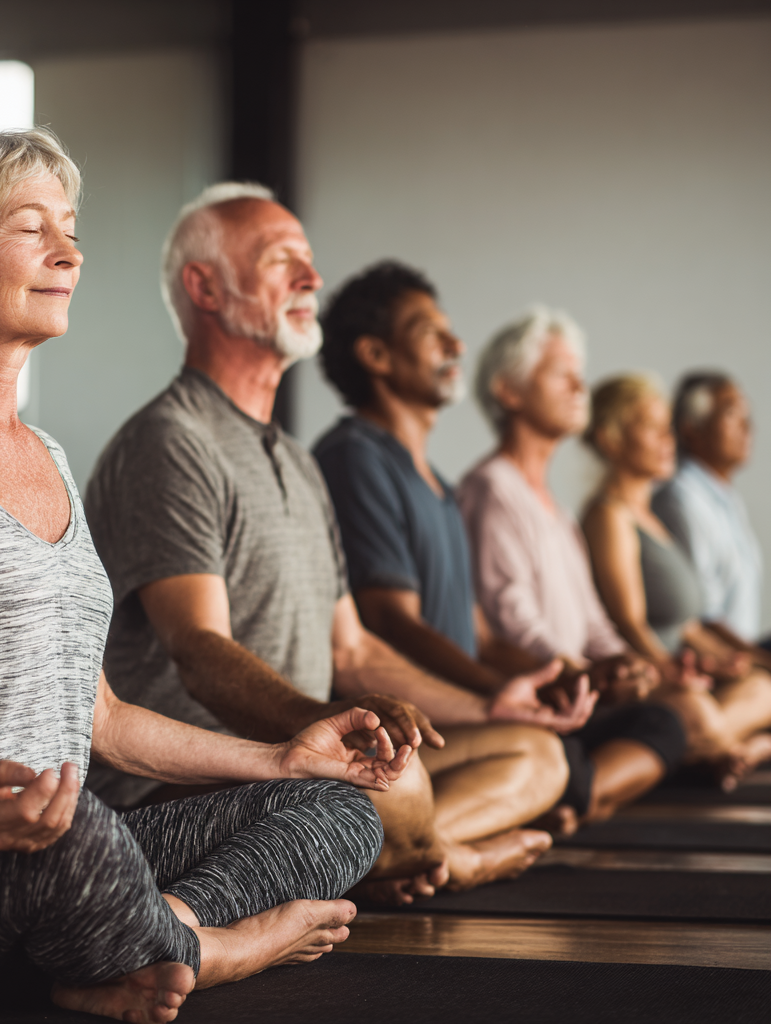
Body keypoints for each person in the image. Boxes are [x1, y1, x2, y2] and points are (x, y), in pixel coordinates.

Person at [0, 125, 402, 1024]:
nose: (69, 252)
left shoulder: (50, 458)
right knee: (77, 843)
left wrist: (278, 756)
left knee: (334, 811)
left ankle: (140, 940)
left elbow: (100, 720)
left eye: (70, 228)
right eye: (32, 228)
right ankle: (211, 950)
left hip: (43, 849)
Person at [85, 185, 595, 902]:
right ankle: (438, 854)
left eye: (310, 261)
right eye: (280, 260)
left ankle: (402, 852)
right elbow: (198, 652)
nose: (312, 279)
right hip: (181, 791)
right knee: (401, 788)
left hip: (305, 761)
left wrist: (493, 706)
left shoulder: (297, 462)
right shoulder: (170, 443)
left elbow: (353, 652)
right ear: (204, 287)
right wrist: (319, 725)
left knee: (538, 753)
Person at [315, 264, 683, 831]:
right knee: (556, 755)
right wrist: (496, 696)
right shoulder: (356, 456)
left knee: (652, 723)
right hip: (418, 722)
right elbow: (391, 620)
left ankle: (547, 805)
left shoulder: (439, 484)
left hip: (469, 707)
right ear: (377, 356)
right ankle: (463, 833)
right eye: (429, 331)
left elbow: (482, 633)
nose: (456, 343)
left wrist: (561, 678)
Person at [581, 374, 771, 784]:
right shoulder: (610, 516)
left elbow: (687, 624)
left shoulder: (651, 517)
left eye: (668, 427)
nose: (669, 440)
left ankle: (733, 747)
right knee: (709, 708)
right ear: (612, 439)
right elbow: (627, 624)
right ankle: (741, 748)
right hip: (653, 682)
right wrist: (670, 673)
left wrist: (730, 660)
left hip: (682, 673)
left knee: (760, 685)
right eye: (653, 428)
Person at [653, 373, 769, 657]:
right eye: (731, 414)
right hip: (714, 658)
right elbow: (701, 614)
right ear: (691, 428)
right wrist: (760, 662)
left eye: (747, 415)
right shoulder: (681, 499)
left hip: (743, 648)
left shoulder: (726, 499)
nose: (747, 427)